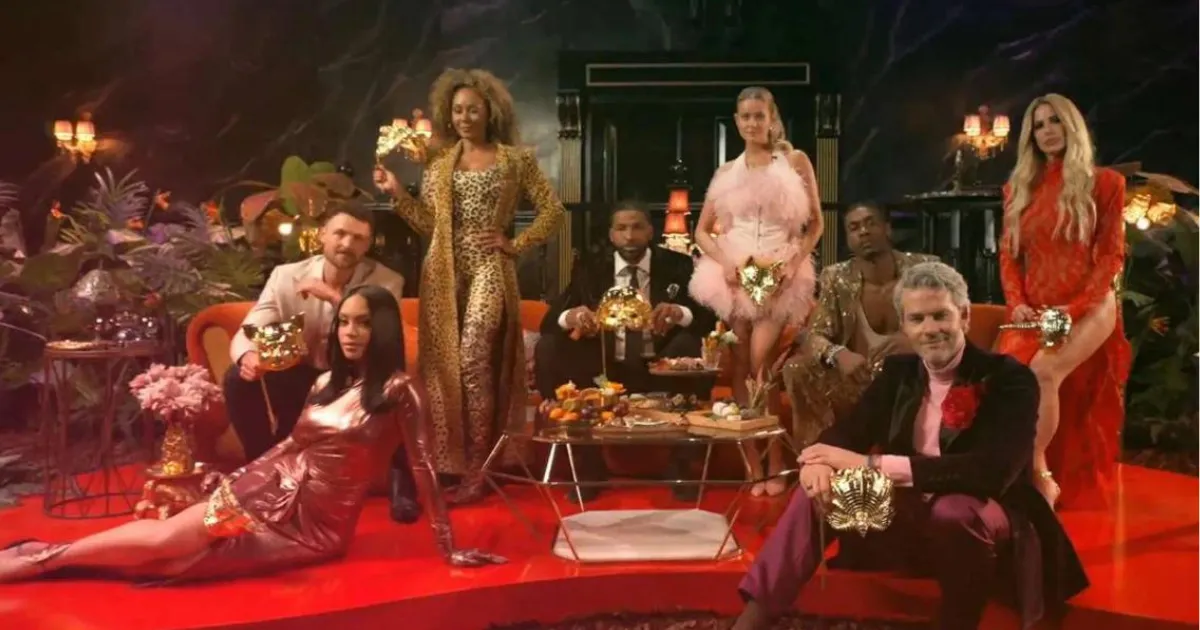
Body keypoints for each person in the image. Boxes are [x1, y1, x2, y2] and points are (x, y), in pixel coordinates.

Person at [0, 286, 505, 584]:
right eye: (345, 322)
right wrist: (240, 477)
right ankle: (43, 558)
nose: (350, 332)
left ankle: (48, 558)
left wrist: (449, 547)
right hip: (270, 488)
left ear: (385, 330)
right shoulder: (325, 383)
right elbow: (292, 444)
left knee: (175, 562)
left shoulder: (399, 392)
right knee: (170, 538)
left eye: (364, 324)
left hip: (315, 527)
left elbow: (422, 467)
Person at [733, 262, 1087, 630]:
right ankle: (751, 622)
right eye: (917, 319)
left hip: (988, 517)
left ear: (964, 316)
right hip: (909, 510)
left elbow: (993, 473)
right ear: (904, 326)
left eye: (940, 315)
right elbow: (849, 431)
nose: (930, 329)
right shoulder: (898, 373)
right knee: (816, 495)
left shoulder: (1009, 378)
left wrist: (871, 465)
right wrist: (817, 461)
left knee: (955, 512)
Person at [374, 68, 564, 505]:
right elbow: (429, 225)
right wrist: (397, 194)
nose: (464, 117)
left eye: (473, 110)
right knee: (446, 369)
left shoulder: (515, 160)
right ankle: (454, 465)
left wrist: (514, 244)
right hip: (444, 272)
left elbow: (553, 212)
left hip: (490, 267)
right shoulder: (440, 162)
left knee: (475, 357)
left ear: (489, 112)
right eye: (457, 110)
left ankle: (480, 469)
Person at [224, 203, 413, 520]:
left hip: (355, 378)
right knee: (236, 378)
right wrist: (248, 356)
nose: (347, 244)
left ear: (368, 244)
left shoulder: (387, 280)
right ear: (322, 234)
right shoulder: (286, 276)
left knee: (395, 384)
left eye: (358, 238)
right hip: (301, 376)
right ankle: (259, 469)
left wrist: (333, 297)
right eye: (340, 233)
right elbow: (251, 326)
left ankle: (402, 481)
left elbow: (382, 336)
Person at [996, 93, 1131, 510]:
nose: (1047, 130)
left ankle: (1039, 479)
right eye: (1038, 125)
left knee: (1043, 371)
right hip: (1035, 308)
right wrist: (1017, 303)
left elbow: (1110, 256)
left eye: (1055, 120)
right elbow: (1009, 257)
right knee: (1007, 378)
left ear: (1072, 126)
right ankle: (1017, 475)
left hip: (1091, 305)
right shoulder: (1018, 189)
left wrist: (1072, 311)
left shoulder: (1106, 183)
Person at [689, 86, 823, 497]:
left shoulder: (794, 161)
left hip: (780, 270)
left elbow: (816, 224)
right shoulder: (727, 172)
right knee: (740, 369)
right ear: (736, 121)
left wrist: (793, 263)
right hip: (734, 272)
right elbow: (701, 231)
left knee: (763, 366)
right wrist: (725, 261)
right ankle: (752, 464)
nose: (752, 123)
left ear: (771, 118)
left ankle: (776, 460)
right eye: (745, 116)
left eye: (758, 116)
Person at [536, 201, 717, 501]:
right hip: (605, 373)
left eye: (636, 228)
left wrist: (679, 313)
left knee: (689, 343)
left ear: (651, 231)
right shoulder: (592, 268)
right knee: (550, 346)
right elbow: (550, 321)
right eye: (621, 229)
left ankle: (682, 464)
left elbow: (708, 319)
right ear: (611, 234)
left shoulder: (678, 265)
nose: (629, 236)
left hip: (660, 367)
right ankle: (588, 465)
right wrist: (574, 316)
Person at [773, 201, 937, 446]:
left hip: (913, 379)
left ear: (888, 229)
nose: (863, 232)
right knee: (797, 368)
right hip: (860, 381)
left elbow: (954, 323)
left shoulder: (925, 270)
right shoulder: (836, 278)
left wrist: (916, 341)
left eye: (871, 223)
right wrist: (838, 354)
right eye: (854, 227)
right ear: (848, 239)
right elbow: (814, 335)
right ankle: (819, 455)